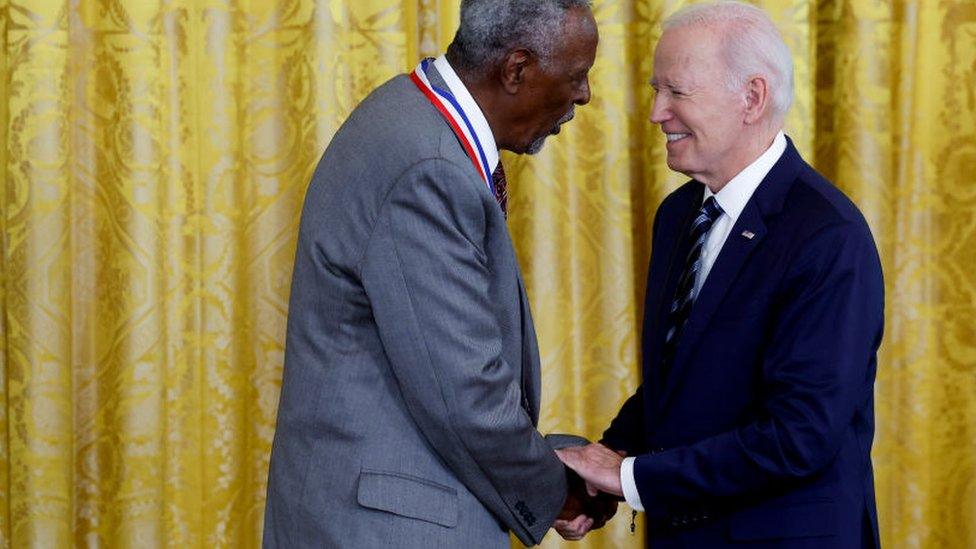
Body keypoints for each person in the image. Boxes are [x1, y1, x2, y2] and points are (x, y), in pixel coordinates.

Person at [263, 1, 614, 546]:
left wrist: (554, 460)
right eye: (576, 76)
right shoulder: (427, 167)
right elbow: (464, 396)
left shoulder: (410, 121)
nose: (584, 96)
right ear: (516, 69)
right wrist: (555, 490)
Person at [556, 2, 885, 547]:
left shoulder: (827, 237)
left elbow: (798, 436)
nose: (657, 112)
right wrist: (606, 473)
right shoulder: (679, 215)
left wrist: (629, 478)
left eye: (676, 92)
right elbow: (680, 382)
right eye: (655, 90)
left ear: (751, 98)